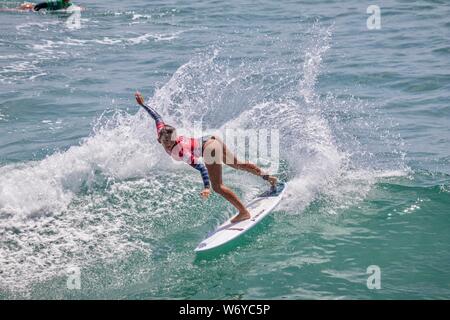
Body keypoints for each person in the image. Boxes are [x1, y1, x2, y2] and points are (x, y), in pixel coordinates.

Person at [135, 91, 278, 223]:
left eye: (170, 141)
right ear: (159, 138)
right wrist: (143, 104)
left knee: (218, 187)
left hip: (209, 148)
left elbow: (201, 167)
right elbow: (157, 117)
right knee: (237, 164)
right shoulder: (163, 130)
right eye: (165, 142)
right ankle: (269, 178)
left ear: (174, 138)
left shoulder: (180, 151)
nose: (167, 145)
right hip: (210, 139)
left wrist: (207, 187)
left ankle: (243, 212)